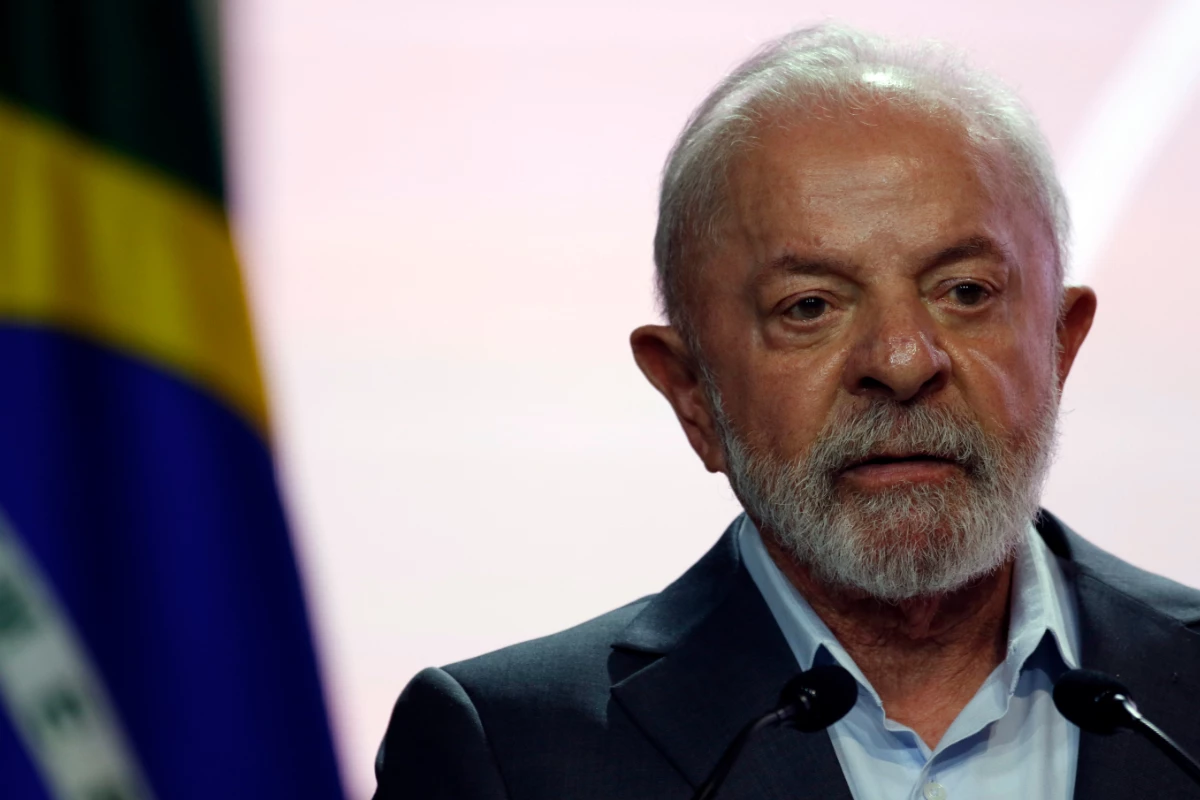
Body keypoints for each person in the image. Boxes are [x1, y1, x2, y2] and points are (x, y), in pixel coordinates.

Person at [373, 23, 1200, 799]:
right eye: (809, 306)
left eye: (965, 292)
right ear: (690, 391)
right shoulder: (514, 753)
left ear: (1060, 345)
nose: (902, 361)